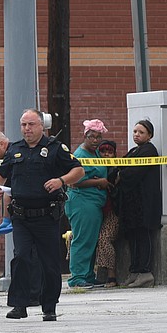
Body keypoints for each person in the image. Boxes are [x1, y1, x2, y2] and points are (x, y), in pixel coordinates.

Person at [0, 109, 84, 321]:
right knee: (21, 257)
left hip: (46, 216)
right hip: (21, 216)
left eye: (31, 124)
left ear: (42, 126)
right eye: (23, 125)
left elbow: (79, 171)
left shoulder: (55, 149)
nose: (27, 129)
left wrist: (61, 181)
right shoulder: (14, 149)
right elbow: (0, 173)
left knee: (49, 263)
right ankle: (19, 305)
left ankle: (49, 306)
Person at [0, 129, 43, 306]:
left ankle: (35, 295)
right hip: (19, 213)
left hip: (35, 212)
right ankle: (28, 295)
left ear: (3, 144)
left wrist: (6, 218)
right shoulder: (4, 158)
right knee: (23, 255)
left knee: (31, 255)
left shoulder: (16, 154)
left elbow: (9, 188)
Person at [114, 119, 162, 288]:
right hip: (131, 204)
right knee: (132, 237)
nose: (136, 135)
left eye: (141, 132)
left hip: (144, 203)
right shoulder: (135, 150)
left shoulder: (149, 150)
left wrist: (121, 174)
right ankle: (134, 271)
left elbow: (132, 173)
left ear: (149, 135)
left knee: (143, 235)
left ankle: (145, 272)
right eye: (135, 131)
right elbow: (118, 167)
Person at [65, 119, 111, 289]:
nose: (95, 140)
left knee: (91, 240)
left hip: (94, 203)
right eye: (92, 137)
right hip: (82, 202)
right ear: (85, 136)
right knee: (82, 239)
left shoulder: (96, 153)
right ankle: (77, 277)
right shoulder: (80, 155)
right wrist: (99, 182)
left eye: (99, 137)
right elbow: (74, 182)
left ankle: (88, 275)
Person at [96, 140, 120, 287]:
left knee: (104, 239)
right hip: (96, 210)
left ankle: (112, 276)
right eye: (103, 151)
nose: (106, 155)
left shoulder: (116, 169)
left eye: (109, 152)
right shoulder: (94, 167)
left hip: (113, 212)